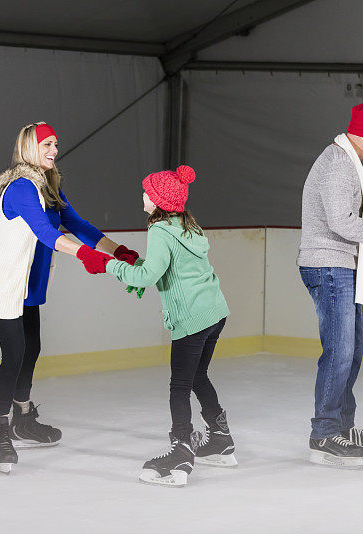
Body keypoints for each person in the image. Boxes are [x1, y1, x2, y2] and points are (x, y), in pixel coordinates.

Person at [0, 122, 139, 474]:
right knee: (14, 354)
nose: (54, 150)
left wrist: (119, 251)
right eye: (46, 144)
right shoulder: (21, 188)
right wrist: (88, 257)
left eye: (55, 144)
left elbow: (79, 225)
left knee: (31, 348)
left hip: (30, 281)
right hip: (6, 280)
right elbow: (48, 234)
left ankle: (23, 418)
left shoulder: (47, 186)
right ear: (28, 148)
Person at [78, 165, 233, 487]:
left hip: (191, 318)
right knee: (198, 376)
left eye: (147, 192)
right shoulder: (188, 226)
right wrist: (136, 262)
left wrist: (109, 264)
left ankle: (181, 450)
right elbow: (166, 267)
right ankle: (220, 438)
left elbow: (148, 277)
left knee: (180, 385)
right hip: (214, 311)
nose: (143, 196)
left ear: (159, 200)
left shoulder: (160, 230)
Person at [297, 103, 363, 467]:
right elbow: (341, 222)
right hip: (328, 266)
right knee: (339, 353)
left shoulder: (346, 161)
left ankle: (342, 424)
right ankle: (324, 433)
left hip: (340, 265)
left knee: (351, 351)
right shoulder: (338, 164)